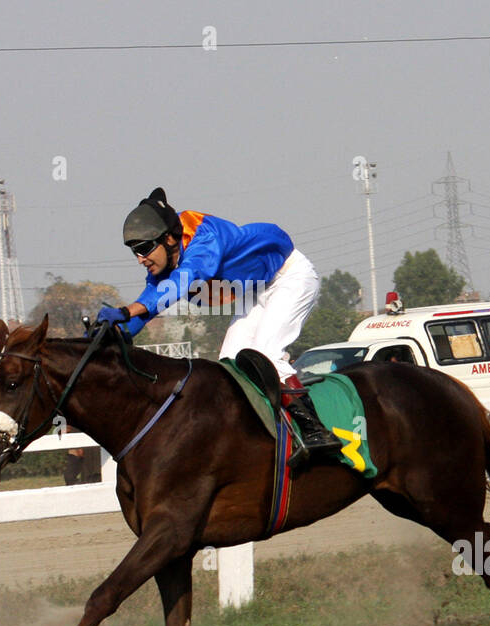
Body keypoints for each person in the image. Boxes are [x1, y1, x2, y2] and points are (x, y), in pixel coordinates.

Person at [98, 187, 340, 466]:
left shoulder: (204, 238)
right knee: (229, 366)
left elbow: (181, 283)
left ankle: (317, 433)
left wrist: (126, 310)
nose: (140, 258)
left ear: (167, 239)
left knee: (267, 356)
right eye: (134, 252)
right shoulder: (166, 258)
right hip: (255, 291)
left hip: (290, 277)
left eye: (143, 249)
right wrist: (111, 334)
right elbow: (148, 305)